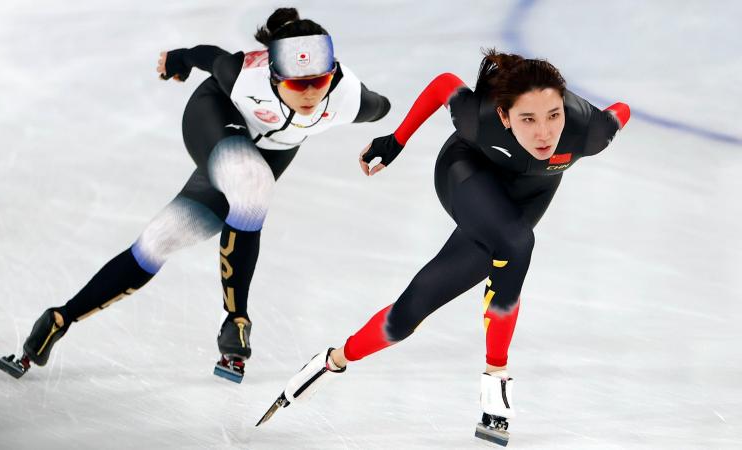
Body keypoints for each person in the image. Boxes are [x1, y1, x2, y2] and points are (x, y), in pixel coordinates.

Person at [0, 8, 391, 383]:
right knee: (253, 182)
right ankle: (236, 320)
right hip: (214, 115)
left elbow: (382, 107)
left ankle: (59, 319)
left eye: (319, 81)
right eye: (296, 84)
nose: (309, 93)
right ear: (273, 77)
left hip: (257, 158)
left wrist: (391, 140)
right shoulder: (244, 76)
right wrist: (178, 59)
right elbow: (209, 56)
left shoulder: (347, 96)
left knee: (160, 240)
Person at [261, 49, 630, 444]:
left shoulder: (590, 130)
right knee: (517, 241)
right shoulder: (479, 118)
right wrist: (396, 140)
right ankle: (496, 378)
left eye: (553, 115)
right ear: (505, 116)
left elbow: (621, 111)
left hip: (525, 199)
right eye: (528, 119)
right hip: (466, 172)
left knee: (411, 312)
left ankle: (332, 361)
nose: (544, 133)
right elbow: (443, 85)